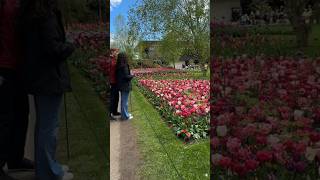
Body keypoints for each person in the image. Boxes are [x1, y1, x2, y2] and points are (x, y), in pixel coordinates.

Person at [20, 0, 75, 179]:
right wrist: (70, 46)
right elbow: (53, 49)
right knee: (49, 128)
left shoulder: (31, 13)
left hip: (39, 78)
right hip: (49, 79)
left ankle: (47, 168)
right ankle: (50, 172)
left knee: (43, 126)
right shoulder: (46, 15)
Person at [0, 0, 34, 179]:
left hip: (18, 67)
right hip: (3, 67)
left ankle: (15, 158)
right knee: (4, 117)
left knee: (22, 114)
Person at [116, 53, 134, 120]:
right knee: (125, 102)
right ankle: (125, 116)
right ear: (124, 58)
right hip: (125, 85)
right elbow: (126, 76)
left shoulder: (118, 65)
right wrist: (132, 75)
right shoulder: (124, 66)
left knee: (123, 101)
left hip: (121, 85)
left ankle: (125, 114)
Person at [109, 48, 121, 119]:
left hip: (115, 81)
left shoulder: (114, 59)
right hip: (112, 81)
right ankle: (110, 114)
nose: (117, 53)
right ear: (112, 52)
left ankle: (114, 111)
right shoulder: (110, 59)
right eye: (116, 52)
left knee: (116, 97)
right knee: (112, 98)